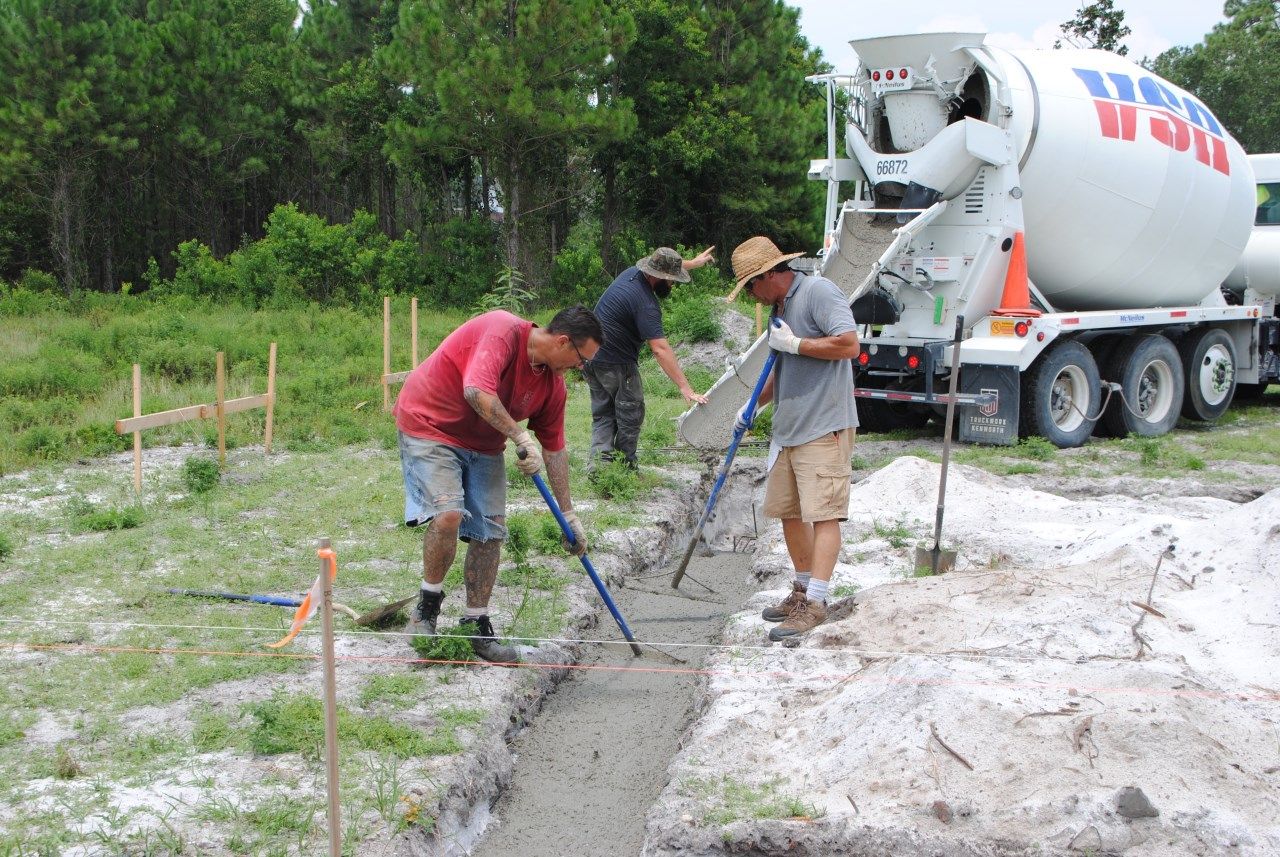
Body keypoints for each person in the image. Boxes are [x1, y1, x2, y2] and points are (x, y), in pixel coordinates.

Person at [393, 305, 603, 663]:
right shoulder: (502, 330)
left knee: (491, 531)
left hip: (482, 443)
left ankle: (477, 627)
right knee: (448, 514)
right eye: (582, 359)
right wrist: (521, 437)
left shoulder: (553, 387)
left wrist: (569, 515)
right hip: (431, 425)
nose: (581, 368)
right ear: (564, 341)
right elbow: (476, 391)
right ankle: (425, 611)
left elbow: (555, 451)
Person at [729, 236, 860, 641]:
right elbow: (782, 364)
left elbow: (849, 345)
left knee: (824, 514)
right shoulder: (779, 308)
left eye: (752, 285)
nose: (752, 294)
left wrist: (797, 343)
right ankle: (802, 589)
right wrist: (755, 405)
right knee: (789, 511)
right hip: (790, 427)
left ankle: (817, 603)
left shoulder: (818, 292)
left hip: (824, 423)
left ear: (770, 274)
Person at [583, 246, 715, 471]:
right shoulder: (646, 303)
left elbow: (665, 265)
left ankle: (599, 467)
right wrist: (685, 388)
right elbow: (660, 349)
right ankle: (626, 467)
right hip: (617, 363)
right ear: (660, 278)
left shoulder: (631, 273)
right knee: (630, 413)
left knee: (604, 414)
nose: (672, 284)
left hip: (590, 357)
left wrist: (693, 263)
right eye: (672, 280)